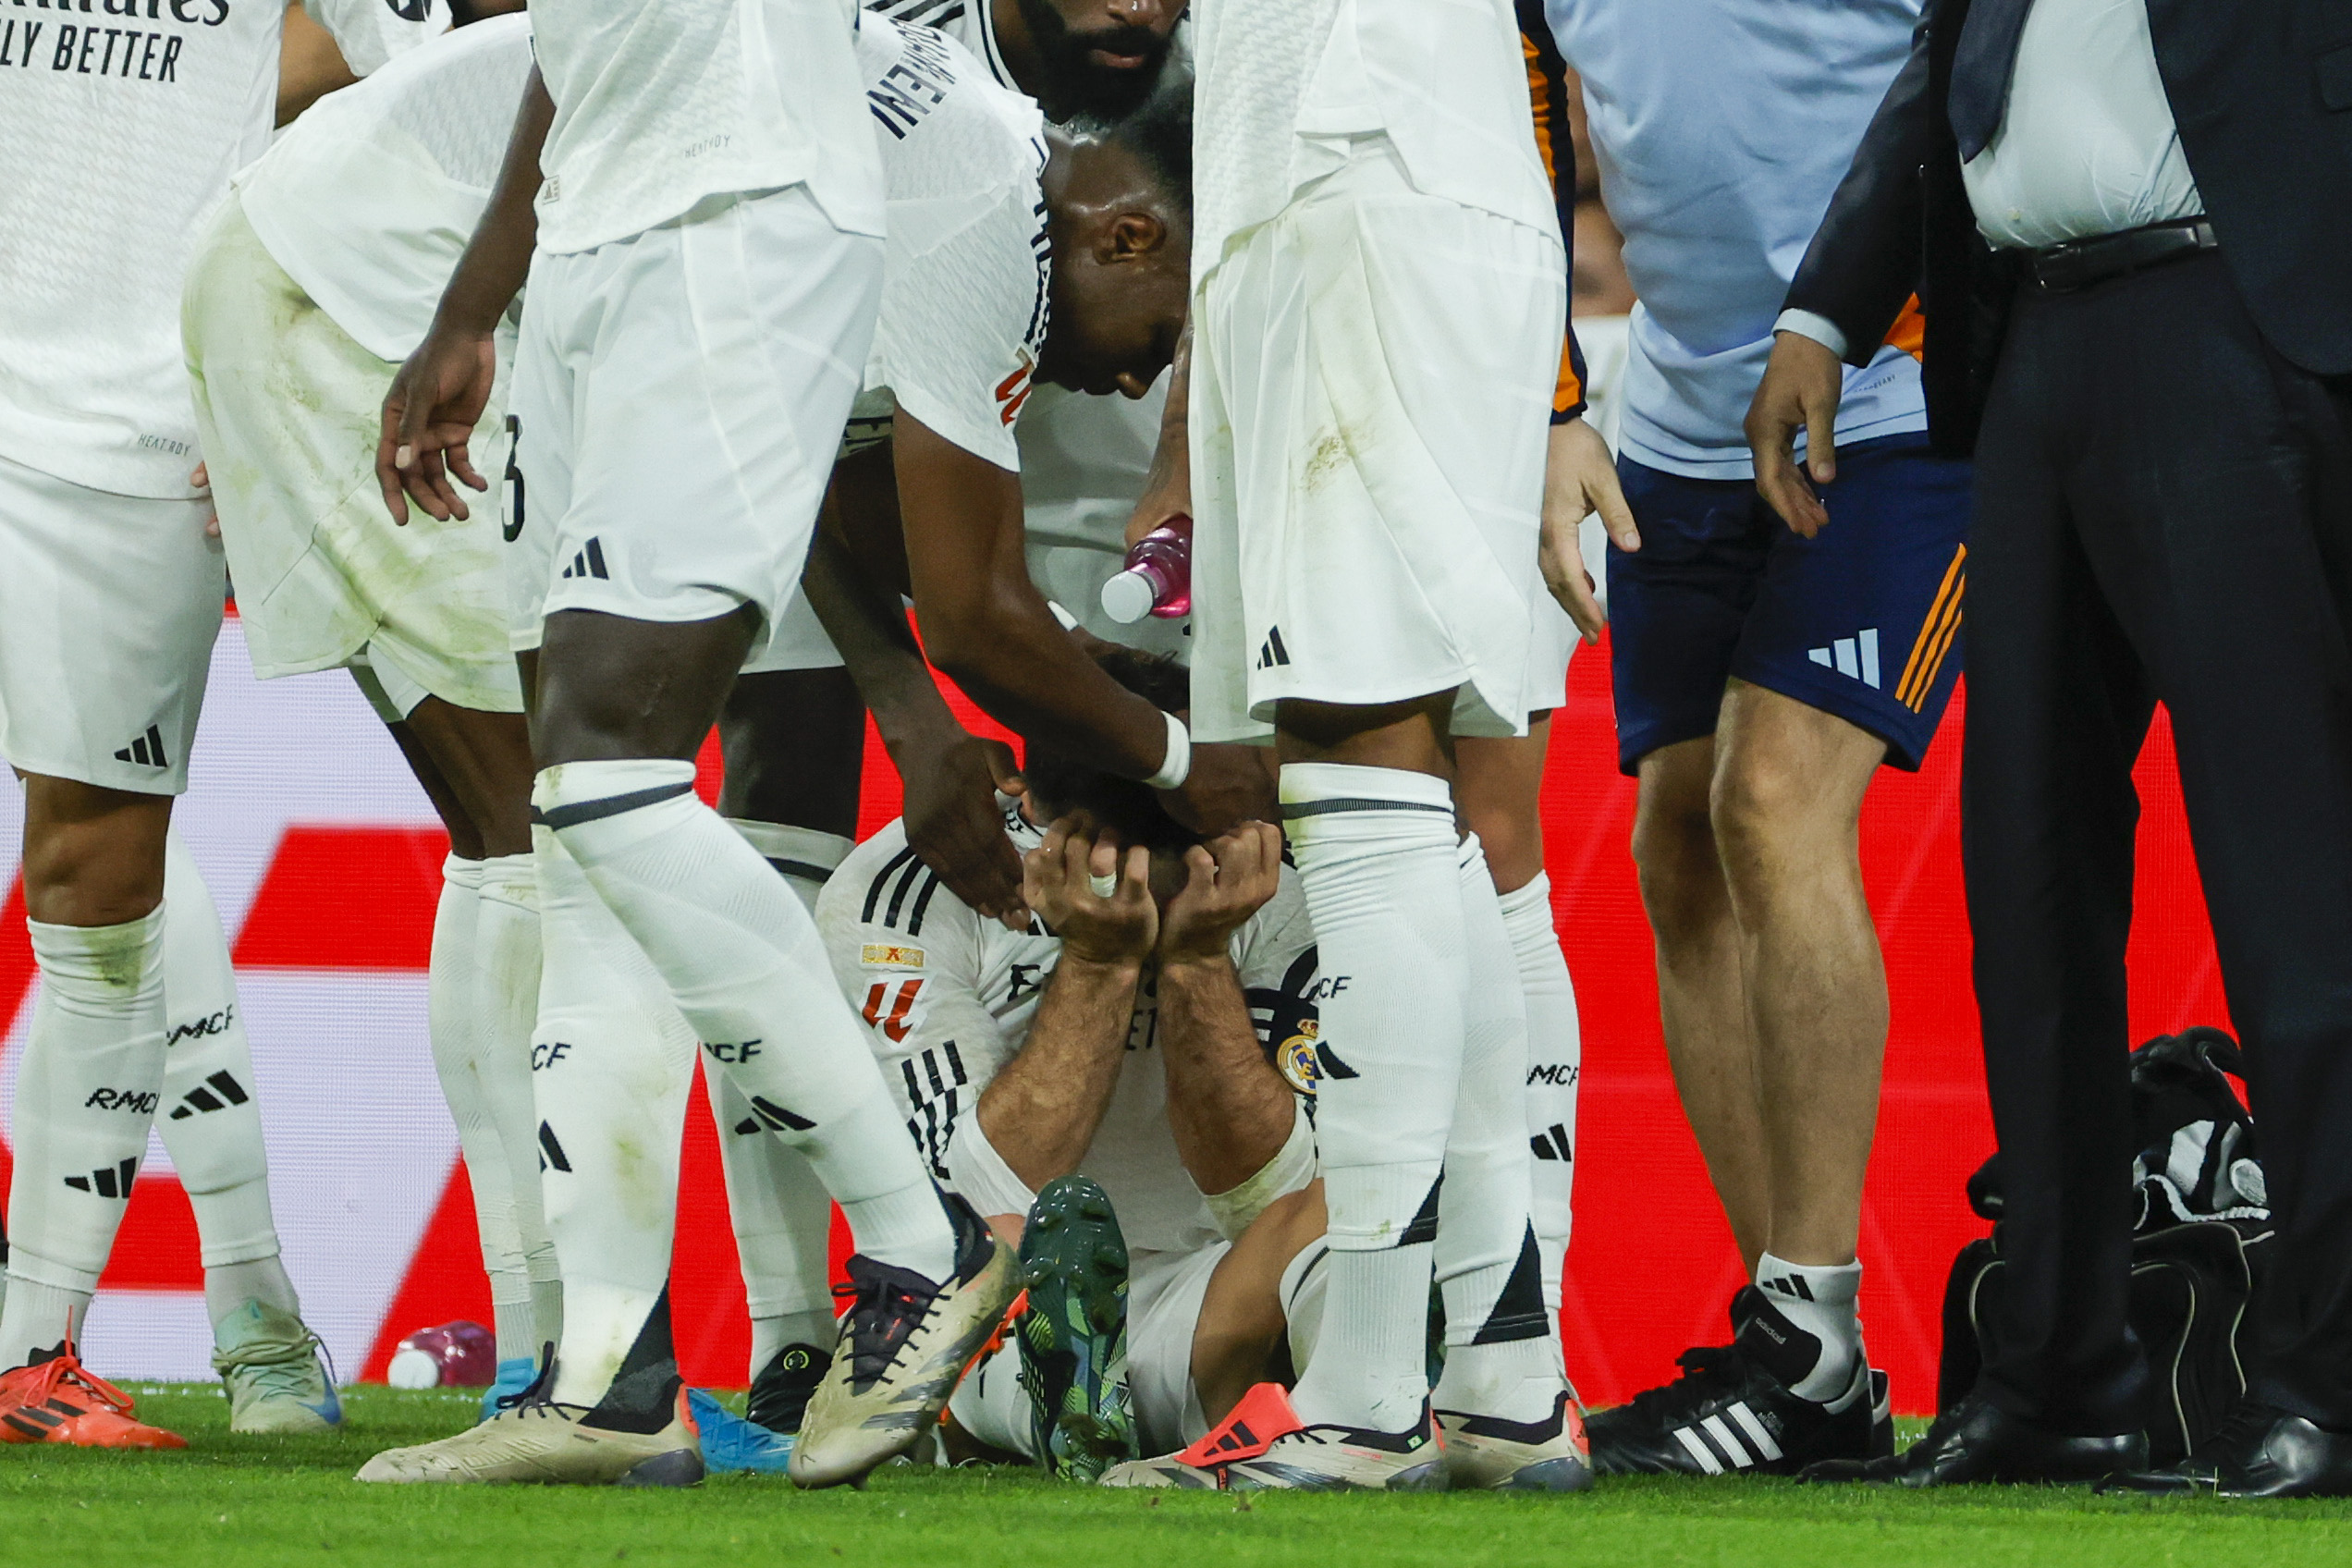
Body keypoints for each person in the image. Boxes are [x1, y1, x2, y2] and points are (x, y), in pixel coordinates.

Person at [358, 0, 1015, 1489]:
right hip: (590, 234)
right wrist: (479, 302)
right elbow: (569, 43)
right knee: (572, 827)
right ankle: (609, 1384)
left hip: (740, 209)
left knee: (607, 770)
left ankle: (927, 1237)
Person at [1749, 0, 2352, 1498]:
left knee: (2292, 898)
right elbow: (1936, 70)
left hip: (2242, 322)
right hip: (2032, 340)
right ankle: (2055, 1378)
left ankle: (2328, 1386)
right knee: (2023, 884)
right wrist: (1825, 309)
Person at [1130, 0, 1613, 1492]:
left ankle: (1358, 1399)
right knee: (1436, 814)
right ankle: (1501, 1378)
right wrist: (1551, 394)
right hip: (1382, 187)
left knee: (1364, 784)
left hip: (1351, 180)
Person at [1526, 0, 1966, 1477]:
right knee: (1681, 847)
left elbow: (1965, 78)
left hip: (1893, 393)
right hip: (1668, 410)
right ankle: (1802, 1352)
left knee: (1777, 803)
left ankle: (1814, 1326)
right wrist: (1555, 398)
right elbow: (1527, 123)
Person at [0, 0, 447, 1450]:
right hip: (76, 411)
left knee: (99, 883)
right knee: (104, 886)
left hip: (123, 436)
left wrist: (269, 359)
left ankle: (53, 1350)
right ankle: (225, 1317)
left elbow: (412, 88)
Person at [182, 8, 555, 1422]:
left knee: (512, 833)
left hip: (316, 269)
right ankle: (555, 1353)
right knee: (543, 828)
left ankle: (551, 1344)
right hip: (353, 295)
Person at [817, 648, 1327, 1480]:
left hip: (1223, 1284)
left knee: (1365, 1194)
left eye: (1168, 878)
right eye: (1115, 870)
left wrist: (1198, 959)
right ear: (1032, 814)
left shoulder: (1272, 869)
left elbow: (1270, 1200)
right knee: (975, 1265)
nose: (1141, 898)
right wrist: (1097, 965)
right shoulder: (904, 890)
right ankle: (1069, 1400)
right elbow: (964, 1206)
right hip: (1004, 1292)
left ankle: (1093, 1405)